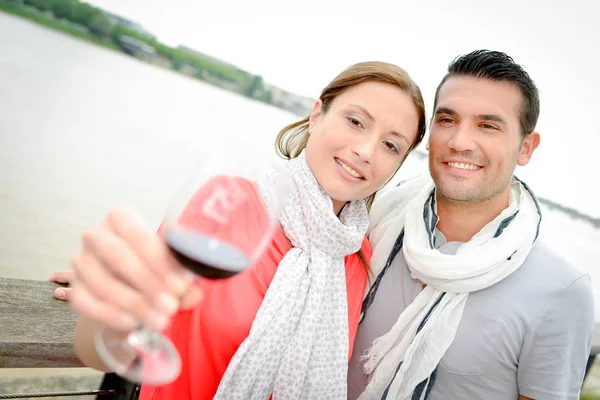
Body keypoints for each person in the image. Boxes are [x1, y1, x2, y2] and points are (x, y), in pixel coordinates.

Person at [61, 61, 427, 400]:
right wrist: (112, 306)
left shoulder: (358, 255)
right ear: (317, 115)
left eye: (391, 145)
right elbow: (106, 349)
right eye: (356, 121)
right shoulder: (227, 203)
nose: (366, 150)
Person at [347, 50, 596, 400]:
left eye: (488, 126)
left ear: (526, 148)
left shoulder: (562, 290)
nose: (460, 142)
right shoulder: (371, 220)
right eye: (447, 120)